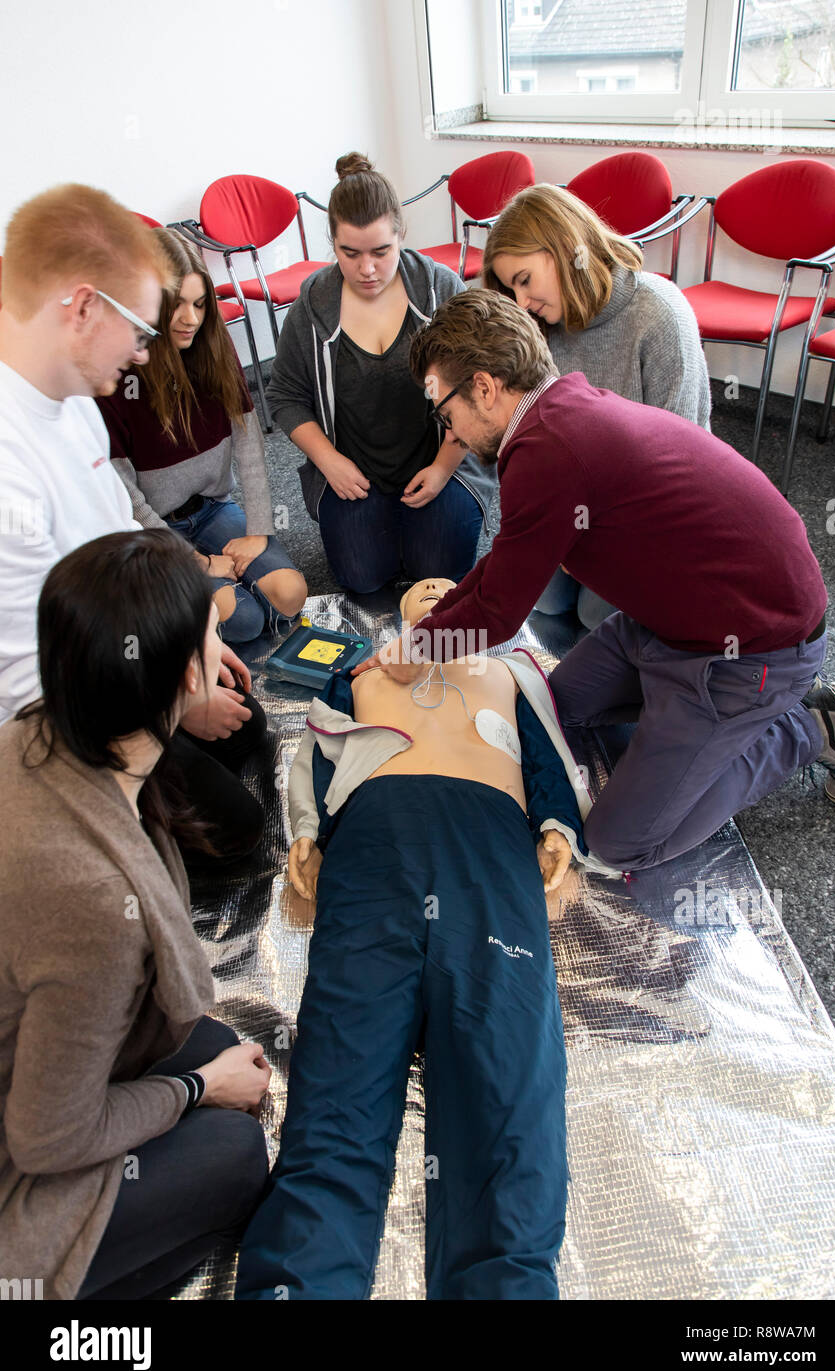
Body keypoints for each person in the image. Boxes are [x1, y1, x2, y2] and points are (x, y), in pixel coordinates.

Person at [354, 289, 835, 878]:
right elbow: (506, 564)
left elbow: (496, 614)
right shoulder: (557, 410)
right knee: (549, 711)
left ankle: (808, 727)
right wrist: (438, 626)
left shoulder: (546, 453)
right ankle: (691, 727)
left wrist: (420, 648)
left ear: (486, 387)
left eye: (446, 414)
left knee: (620, 845)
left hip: (752, 650)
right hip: (673, 621)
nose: (453, 435)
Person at [235, 576, 597, 1302]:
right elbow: (316, 747)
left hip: (489, 847)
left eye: (450, 585)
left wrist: (559, 825)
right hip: (377, 844)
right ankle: (297, 1285)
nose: (435, 592)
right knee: (338, 1090)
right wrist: (308, 831)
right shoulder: (360, 670)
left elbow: (548, 757)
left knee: (507, 1091)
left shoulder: (511, 672)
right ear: (398, 610)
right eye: (421, 590)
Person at [0, 529, 272, 1302]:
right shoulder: (95, 907)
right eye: (214, 630)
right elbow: (47, 1138)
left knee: (210, 1041)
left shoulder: (38, 729)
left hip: (39, 1041)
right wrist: (195, 1093)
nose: (222, 640)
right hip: (22, 1156)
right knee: (232, 1149)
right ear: (190, 671)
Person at [0, 183, 267, 862]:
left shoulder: (74, 397)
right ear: (85, 306)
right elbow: (34, 684)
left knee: (245, 727)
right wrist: (173, 700)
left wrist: (190, 636)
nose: (148, 356)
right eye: (143, 330)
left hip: (112, 657)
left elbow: (125, 536)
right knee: (233, 832)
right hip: (52, 724)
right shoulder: (10, 466)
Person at [265, 152, 496, 593]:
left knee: (438, 578)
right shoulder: (314, 303)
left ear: (401, 236)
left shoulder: (439, 288)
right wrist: (328, 461)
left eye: (381, 252)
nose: (366, 269)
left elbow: (476, 390)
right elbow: (285, 396)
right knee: (363, 579)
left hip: (439, 457)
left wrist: (445, 467)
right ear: (331, 244)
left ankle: (426, 516)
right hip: (355, 470)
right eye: (349, 254)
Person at [484, 182, 711, 625]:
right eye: (512, 290)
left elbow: (679, 468)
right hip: (576, 505)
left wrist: (589, 543)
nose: (522, 302)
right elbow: (532, 442)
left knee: (597, 617)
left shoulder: (660, 314)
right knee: (545, 601)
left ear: (565, 247)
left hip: (646, 515)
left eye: (525, 280)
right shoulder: (539, 324)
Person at [97, 228, 307, 645]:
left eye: (199, 304)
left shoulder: (212, 342)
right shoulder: (116, 376)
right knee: (244, 622)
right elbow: (125, 495)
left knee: (291, 594)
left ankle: (198, 606)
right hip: (154, 533)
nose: (191, 318)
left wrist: (258, 530)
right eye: (176, 305)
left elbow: (249, 445)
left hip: (211, 509)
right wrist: (197, 562)